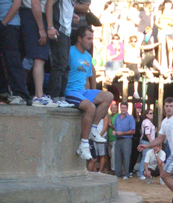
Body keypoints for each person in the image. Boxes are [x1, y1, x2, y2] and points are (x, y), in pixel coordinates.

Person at [65, 26, 114, 161]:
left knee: (109, 96)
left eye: (92, 38)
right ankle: (84, 145)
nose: (91, 41)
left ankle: (93, 128)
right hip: (70, 91)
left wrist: (90, 94)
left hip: (83, 91)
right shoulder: (69, 51)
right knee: (90, 107)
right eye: (88, 38)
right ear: (79, 39)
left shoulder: (88, 56)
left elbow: (87, 79)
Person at [45, 0, 90, 108]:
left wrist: (72, 15)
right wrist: (50, 27)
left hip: (66, 32)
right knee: (59, 64)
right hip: (59, 30)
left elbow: (65, 8)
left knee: (65, 65)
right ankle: (53, 96)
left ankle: (61, 96)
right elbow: (49, 4)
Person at [113, 101, 136, 179]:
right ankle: (118, 173)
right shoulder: (117, 117)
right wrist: (114, 131)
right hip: (118, 139)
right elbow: (115, 128)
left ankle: (126, 174)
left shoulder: (130, 118)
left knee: (126, 157)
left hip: (127, 139)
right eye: (122, 107)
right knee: (117, 157)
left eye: (124, 108)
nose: (123, 109)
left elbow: (133, 131)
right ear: (120, 108)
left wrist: (122, 133)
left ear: (127, 108)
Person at [137, 108, 156, 179]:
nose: (152, 115)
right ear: (146, 114)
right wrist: (152, 143)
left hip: (147, 141)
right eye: (150, 113)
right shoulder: (147, 122)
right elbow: (147, 133)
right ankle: (141, 173)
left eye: (152, 113)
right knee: (145, 157)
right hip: (146, 141)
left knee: (147, 157)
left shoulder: (147, 121)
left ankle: (145, 173)